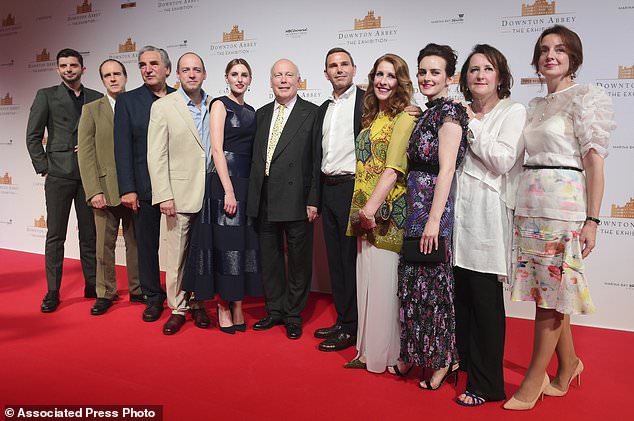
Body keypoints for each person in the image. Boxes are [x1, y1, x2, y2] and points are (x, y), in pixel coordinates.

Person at [504, 25, 615, 410]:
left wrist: (593, 220)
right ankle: (569, 364)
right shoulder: (533, 106)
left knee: (549, 297)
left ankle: (535, 378)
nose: (551, 55)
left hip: (564, 208)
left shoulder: (587, 98)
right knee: (548, 292)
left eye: (560, 49)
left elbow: (594, 164)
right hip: (529, 206)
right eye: (544, 49)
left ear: (573, 58)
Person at [452, 44, 526, 406]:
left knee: (484, 303)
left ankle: (487, 384)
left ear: (500, 76)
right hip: (458, 216)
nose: (480, 75)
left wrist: (471, 123)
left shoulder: (513, 111)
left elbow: (501, 159)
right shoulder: (458, 112)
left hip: (487, 217)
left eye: (488, 69)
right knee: (461, 298)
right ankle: (464, 367)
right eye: (474, 69)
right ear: (465, 77)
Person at [396, 44, 469, 389]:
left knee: (434, 286)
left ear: (450, 77)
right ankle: (415, 353)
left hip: (433, 209)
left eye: (435, 72)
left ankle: (444, 359)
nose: (427, 77)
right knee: (414, 284)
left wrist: (434, 220)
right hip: (415, 207)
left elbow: (447, 169)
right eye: (422, 71)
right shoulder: (427, 111)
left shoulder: (450, 114)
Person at [344, 53, 416, 373]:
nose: (383, 81)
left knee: (385, 283)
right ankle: (365, 351)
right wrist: (364, 209)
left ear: (400, 82)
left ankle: (384, 355)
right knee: (367, 280)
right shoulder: (373, 116)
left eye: (391, 76)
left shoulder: (403, 118)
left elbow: (393, 169)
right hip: (364, 207)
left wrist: (371, 207)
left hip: (386, 210)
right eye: (379, 75)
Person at [183, 58, 262, 334]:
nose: (240, 79)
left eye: (244, 75)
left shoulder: (252, 110)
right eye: (235, 74)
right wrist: (228, 190)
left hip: (246, 183)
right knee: (223, 246)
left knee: (240, 246)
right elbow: (216, 149)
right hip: (224, 184)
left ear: (250, 80)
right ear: (226, 78)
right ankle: (223, 305)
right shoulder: (219, 105)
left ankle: (238, 303)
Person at [247, 59, 320, 340]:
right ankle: (274, 310)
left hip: (297, 199)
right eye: (278, 75)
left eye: (289, 75)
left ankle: (293, 314)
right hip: (264, 196)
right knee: (270, 258)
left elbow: (316, 160)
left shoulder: (312, 113)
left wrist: (313, 199)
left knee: (299, 261)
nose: (283, 79)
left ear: (299, 80)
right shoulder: (261, 114)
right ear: (270, 81)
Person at [26, 48, 102, 312]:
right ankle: (53, 291)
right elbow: (33, 136)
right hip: (58, 174)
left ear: (83, 68)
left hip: (88, 176)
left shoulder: (97, 97)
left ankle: (92, 284)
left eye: (73, 65)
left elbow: (105, 136)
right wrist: (44, 167)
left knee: (90, 234)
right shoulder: (46, 96)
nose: (68, 69)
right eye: (63, 66)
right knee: (55, 235)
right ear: (58, 69)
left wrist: (92, 146)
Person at [147, 52, 212, 335]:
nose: (192, 74)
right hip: (179, 193)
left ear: (204, 74)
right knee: (177, 256)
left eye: (197, 69)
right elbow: (156, 155)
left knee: (203, 255)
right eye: (186, 70)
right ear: (178, 74)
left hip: (211, 193)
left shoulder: (215, 104)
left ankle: (198, 302)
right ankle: (177, 307)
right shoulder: (163, 106)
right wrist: (164, 195)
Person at [77, 59, 143, 316]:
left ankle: (138, 289)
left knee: (136, 243)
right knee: (103, 245)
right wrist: (94, 191)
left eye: (117, 74)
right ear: (102, 80)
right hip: (104, 189)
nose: (113, 78)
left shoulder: (138, 106)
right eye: (107, 75)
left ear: (126, 76)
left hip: (134, 188)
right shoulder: (92, 110)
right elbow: (86, 154)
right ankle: (105, 292)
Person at [114, 46, 175, 323]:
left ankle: (183, 295)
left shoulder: (181, 97)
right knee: (147, 246)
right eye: (142, 65)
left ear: (167, 69)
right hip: (144, 186)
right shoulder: (128, 102)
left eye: (153, 63)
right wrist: (128, 188)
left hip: (179, 186)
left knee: (181, 246)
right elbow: (122, 148)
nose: (147, 69)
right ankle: (153, 297)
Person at [313, 48, 364, 351]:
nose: (339, 69)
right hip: (328, 188)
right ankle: (344, 320)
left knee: (351, 261)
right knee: (336, 262)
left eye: (344, 64)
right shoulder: (323, 109)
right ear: (326, 73)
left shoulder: (367, 102)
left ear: (354, 69)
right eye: (333, 65)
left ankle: (354, 326)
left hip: (354, 189)